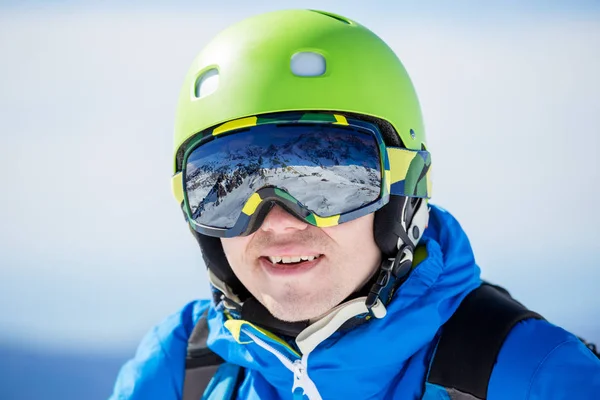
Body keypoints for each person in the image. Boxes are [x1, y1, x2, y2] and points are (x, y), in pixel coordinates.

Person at [110, 9, 600, 400]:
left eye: (327, 182)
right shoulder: (182, 367)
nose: (277, 221)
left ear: (404, 196)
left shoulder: (532, 376)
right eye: (229, 186)